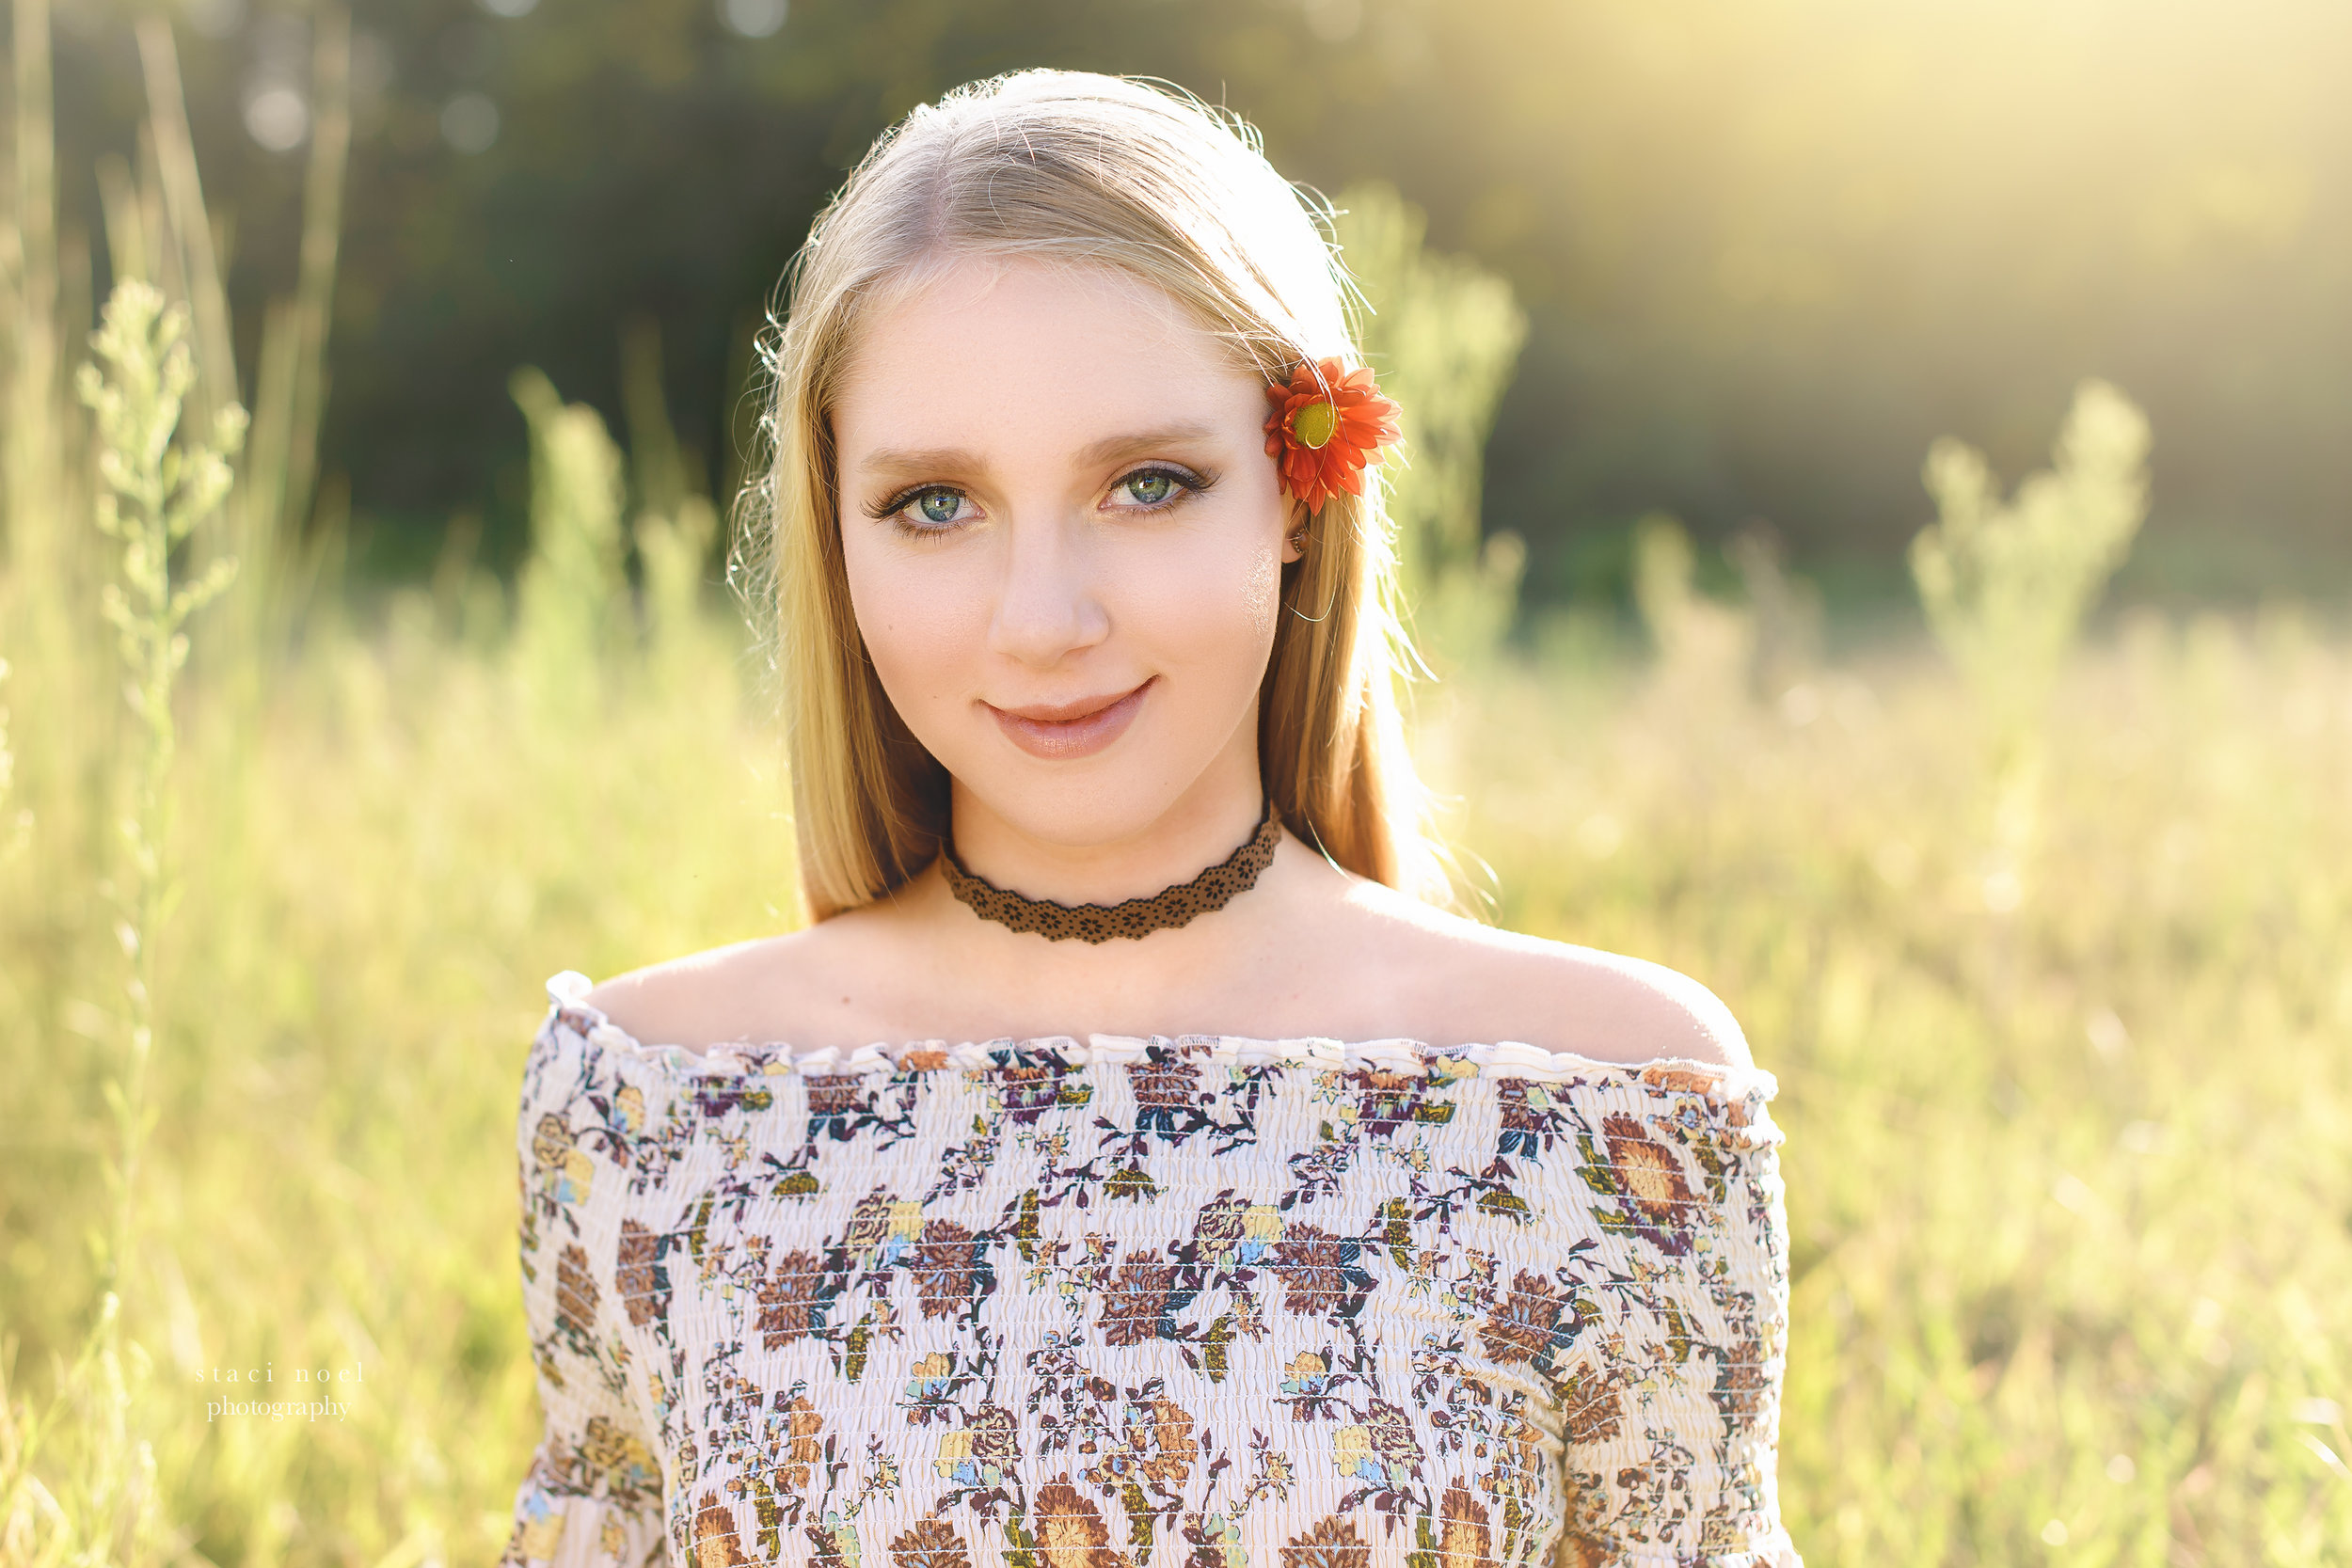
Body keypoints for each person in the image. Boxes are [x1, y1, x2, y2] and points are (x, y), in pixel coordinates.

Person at [501, 70, 1799, 1568]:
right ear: (834, 531)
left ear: (1298, 491)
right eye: (935, 504)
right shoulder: (653, 1117)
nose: (1042, 621)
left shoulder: (1605, 1116)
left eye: (1148, 484)